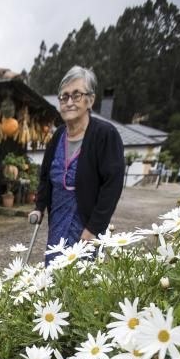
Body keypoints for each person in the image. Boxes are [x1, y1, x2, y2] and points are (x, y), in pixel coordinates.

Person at [29, 66, 125, 264]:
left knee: (82, 280)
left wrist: (94, 229)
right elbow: (46, 176)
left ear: (90, 100)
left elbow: (112, 186)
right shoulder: (58, 136)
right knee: (54, 269)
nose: (69, 102)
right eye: (64, 97)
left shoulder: (105, 135)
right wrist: (39, 206)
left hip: (86, 223)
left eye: (76, 95)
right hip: (58, 219)